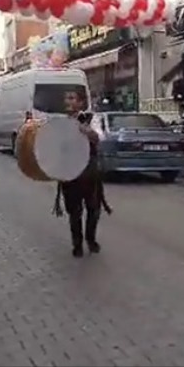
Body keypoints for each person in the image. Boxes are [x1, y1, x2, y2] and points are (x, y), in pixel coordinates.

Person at [51, 89, 111, 258]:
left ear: (80, 103)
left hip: (89, 172)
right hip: (70, 172)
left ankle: (90, 239)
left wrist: (86, 131)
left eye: (71, 98)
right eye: (66, 99)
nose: (67, 102)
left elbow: (99, 137)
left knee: (94, 209)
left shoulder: (91, 119)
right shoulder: (60, 123)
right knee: (74, 211)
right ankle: (77, 244)